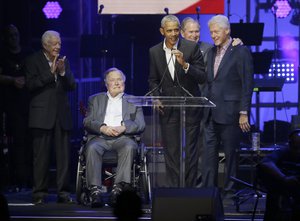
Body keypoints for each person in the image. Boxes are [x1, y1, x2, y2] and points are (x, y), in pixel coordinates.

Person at [180, 17, 243, 187]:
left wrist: (235, 44)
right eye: (191, 32)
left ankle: (207, 187)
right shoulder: (173, 50)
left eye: (197, 32)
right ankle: (188, 186)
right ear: (182, 33)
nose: (194, 35)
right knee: (190, 150)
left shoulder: (209, 49)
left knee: (207, 151)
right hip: (182, 107)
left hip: (209, 107)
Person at [148, 15, 206, 187]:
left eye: (176, 30)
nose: (173, 34)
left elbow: (202, 77)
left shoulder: (191, 48)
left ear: (180, 30)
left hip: (190, 107)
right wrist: (156, 98)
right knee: (171, 151)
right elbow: (153, 79)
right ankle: (174, 190)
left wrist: (185, 65)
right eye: (169, 30)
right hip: (168, 108)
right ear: (162, 31)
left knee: (190, 152)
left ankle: (189, 190)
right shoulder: (154, 51)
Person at [202, 15, 253, 194]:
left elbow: (247, 83)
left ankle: (231, 191)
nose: (213, 35)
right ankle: (209, 190)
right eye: (211, 32)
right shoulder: (210, 52)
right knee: (209, 155)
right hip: (210, 113)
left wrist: (244, 112)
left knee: (231, 155)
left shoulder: (240, 51)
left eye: (216, 31)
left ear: (227, 30)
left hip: (231, 112)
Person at [25, 30, 76, 204]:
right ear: (45, 45)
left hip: (61, 115)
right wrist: (51, 73)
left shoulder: (63, 61)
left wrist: (62, 72)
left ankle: (63, 193)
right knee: (41, 157)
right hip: (41, 115)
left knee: (63, 157)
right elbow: (30, 85)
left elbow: (72, 86)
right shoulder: (32, 60)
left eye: (59, 43)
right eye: (55, 44)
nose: (58, 46)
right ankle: (39, 193)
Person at [83, 67, 145, 208]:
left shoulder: (134, 101)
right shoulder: (95, 99)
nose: (117, 83)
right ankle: (95, 191)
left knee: (129, 147)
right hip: (101, 137)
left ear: (124, 82)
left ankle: (118, 190)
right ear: (106, 84)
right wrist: (102, 127)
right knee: (92, 147)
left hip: (123, 138)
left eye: (119, 80)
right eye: (113, 80)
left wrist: (124, 127)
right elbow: (87, 121)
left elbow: (140, 124)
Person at [0, 24, 31, 192]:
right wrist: (12, 80)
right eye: (11, 35)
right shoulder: (3, 54)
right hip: (11, 105)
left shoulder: (27, 53)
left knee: (29, 142)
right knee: (16, 143)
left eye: (16, 34)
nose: (14, 38)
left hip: (28, 103)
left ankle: (29, 178)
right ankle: (18, 179)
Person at [257, 129, 300, 221]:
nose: (298, 151)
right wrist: (284, 178)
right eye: (296, 147)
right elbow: (265, 163)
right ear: (290, 144)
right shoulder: (282, 152)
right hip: (281, 192)